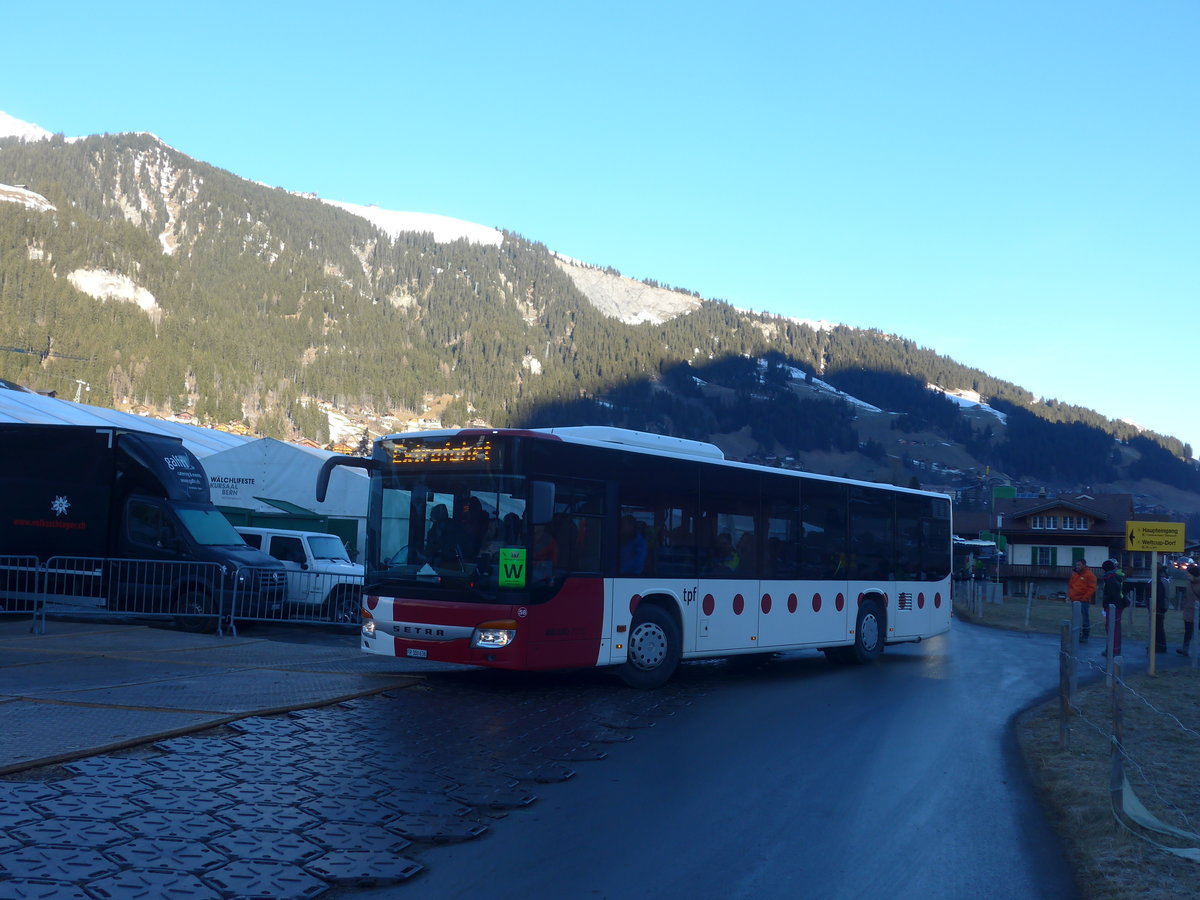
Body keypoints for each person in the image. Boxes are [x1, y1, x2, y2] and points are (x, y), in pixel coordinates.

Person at [1099, 558, 1127, 656]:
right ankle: (1113, 648)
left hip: (1113, 606)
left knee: (1112, 628)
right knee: (1114, 628)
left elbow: (1112, 594)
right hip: (1117, 605)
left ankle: (1113, 650)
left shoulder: (1111, 578)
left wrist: (1106, 604)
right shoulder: (1115, 576)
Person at [1067, 558, 1096, 643]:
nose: (1077, 566)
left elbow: (1092, 588)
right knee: (1075, 618)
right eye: (1077, 565)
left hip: (1083, 600)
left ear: (1084, 565)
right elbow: (1071, 585)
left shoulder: (1090, 575)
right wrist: (1070, 595)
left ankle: (1085, 635)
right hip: (1074, 600)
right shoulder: (1074, 574)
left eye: (1079, 565)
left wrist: (1085, 598)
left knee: (1084, 618)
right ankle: (1076, 634)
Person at [1178, 564, 1200, 656]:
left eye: (1189, 574)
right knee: (1188, 632)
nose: (1187, 575)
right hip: (1189, 611)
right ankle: (1185, 649)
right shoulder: (1189, 583)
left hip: (1197, 612)